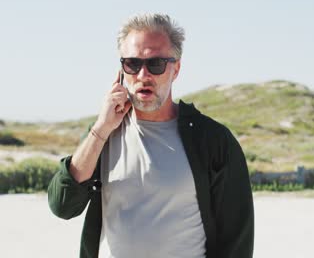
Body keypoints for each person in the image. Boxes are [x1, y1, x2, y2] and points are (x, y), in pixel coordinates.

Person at [48, 13, 254, 258]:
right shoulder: (103, 135)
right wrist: (101, 128)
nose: (143, 75)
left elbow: (237, 239)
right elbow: (62, 205)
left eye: (155, 64)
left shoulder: (212, 141)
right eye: (132, 64)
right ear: (122, 69)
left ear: (175, 69)